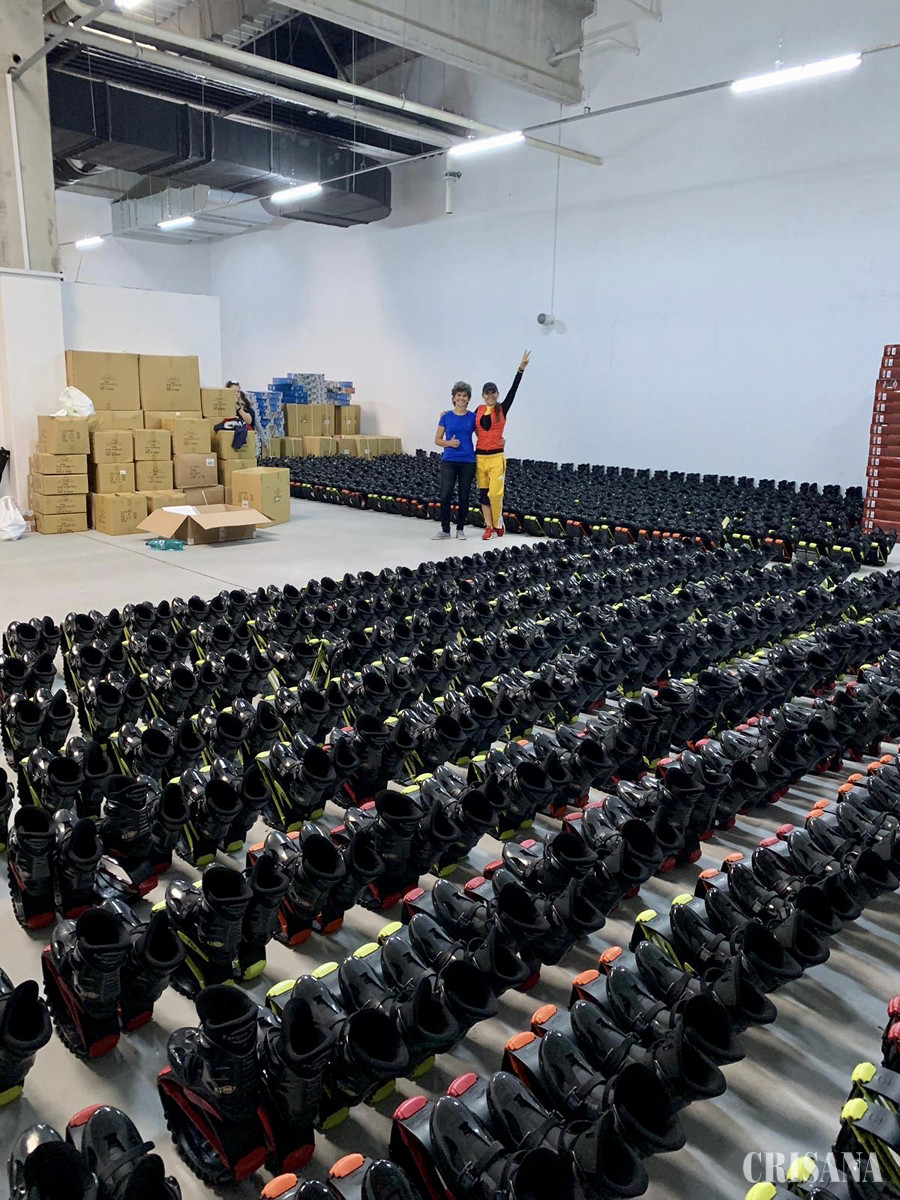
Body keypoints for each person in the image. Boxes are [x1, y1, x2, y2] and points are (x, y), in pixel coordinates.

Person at [476, 350, 530, 539]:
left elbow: (513, 391)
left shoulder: (502, 408)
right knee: (483, 494)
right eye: (487, 393)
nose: (490, 396)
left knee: (495, 494)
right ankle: (488, 526)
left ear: (497, 394)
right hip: (480, 457)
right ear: (483, 395)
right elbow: (465, 422)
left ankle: (498, 522)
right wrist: (445, 415)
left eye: (493, 392)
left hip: (496, 457)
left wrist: (520, 369)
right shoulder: (478, 410)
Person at [433, 381, 477, 541]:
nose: (461, 398)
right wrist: (450, 443)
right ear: (453, 397)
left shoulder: (473, 417)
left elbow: (483, 436)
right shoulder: (446, 417)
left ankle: (460, 529)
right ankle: (445, 530)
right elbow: (437, 440)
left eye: (464, 396)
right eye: (458, 395)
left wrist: (499, 440)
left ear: (468, 398)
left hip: (468, 461)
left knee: (464, 496)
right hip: (449, 461)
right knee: (445, 495)